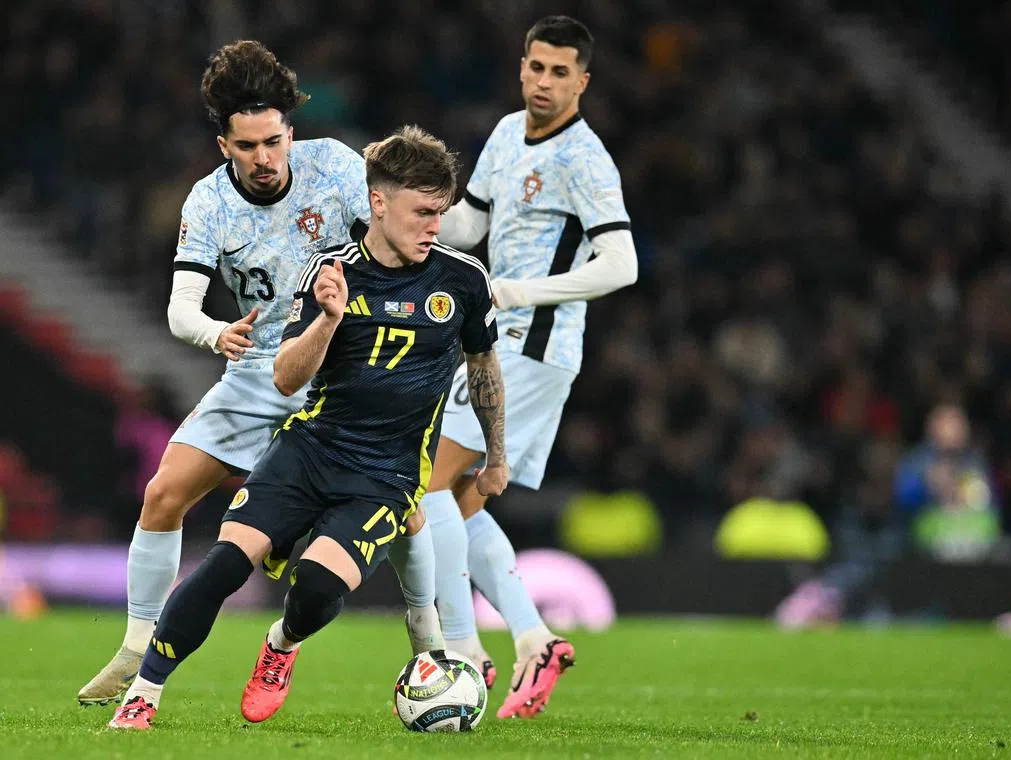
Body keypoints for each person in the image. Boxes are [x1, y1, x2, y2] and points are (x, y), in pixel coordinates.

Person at [107, 125, 507, 730]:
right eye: (423, 212)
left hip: (385, 474)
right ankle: (144, 692)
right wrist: (326, 319)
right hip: (310, 449)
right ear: (379, 202)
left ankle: (283, 644)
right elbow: (287, 380)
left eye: (441, 212)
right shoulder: (332, 270)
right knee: (222, 564)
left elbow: (484, 370)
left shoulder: (462, 280)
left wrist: (496, 455)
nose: (435, 225)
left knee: (317, 586)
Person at [78, 40, 389, 705]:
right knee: (164, 494)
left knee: (415, 513)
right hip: (257, 370)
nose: (264, 157)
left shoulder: (334, 167)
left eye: (273, 141)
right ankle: (136, 648)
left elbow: (392, 257)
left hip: (342, 368)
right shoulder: (208, 204)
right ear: (225, 145)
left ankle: (438, 647)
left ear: (290, 132)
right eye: (247, 146)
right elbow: (179, 311)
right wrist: (218, 332)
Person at [424, 15, 638, 718]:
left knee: (426, 484)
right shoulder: (506, 132)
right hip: (492, 340)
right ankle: (532, 638)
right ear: (522, 68)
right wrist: (408, 212)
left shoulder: (586, 159)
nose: (544, 82)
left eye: (559, 71)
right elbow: (470, 227)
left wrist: (523, 290)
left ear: (583, 80)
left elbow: (621, 265)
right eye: (535, 67)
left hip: (535, 348)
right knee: (456, 502)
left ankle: (461, 650)